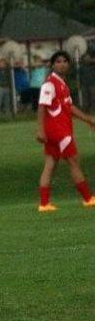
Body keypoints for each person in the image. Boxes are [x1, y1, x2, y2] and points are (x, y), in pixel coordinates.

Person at [35, 51, 95, 212]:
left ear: (69, 64)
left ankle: (44, 203)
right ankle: (88, 199)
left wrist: (87, 119)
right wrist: (40, 130)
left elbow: (70, 107)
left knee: (50, 164)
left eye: (65, 61)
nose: (62, 64)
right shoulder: (50, 84)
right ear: (53, 65)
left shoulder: (62, 84)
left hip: (60, 130)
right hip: (58, 131)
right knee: (74, 160)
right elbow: (42, 106)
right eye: (58, 61)